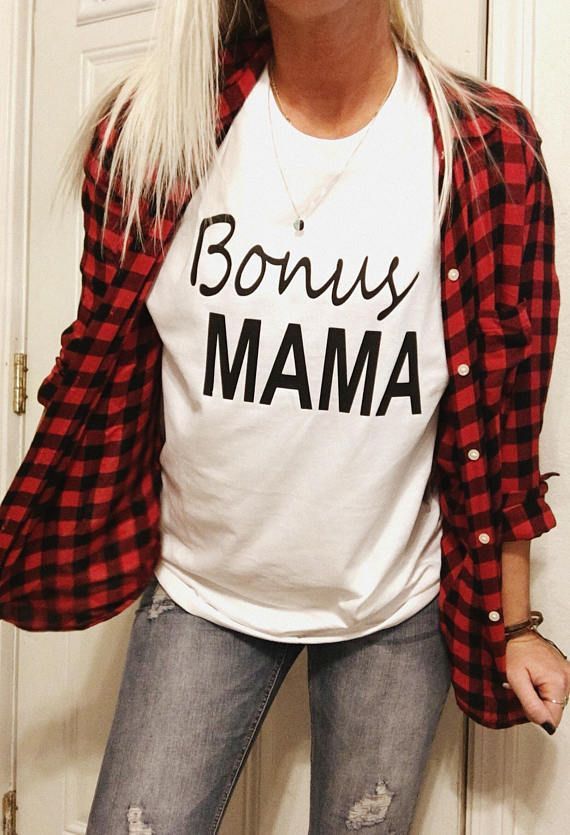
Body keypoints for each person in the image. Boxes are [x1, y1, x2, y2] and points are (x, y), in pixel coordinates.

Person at [0, 1, 568, 832]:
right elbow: (103, 368)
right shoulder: (149, 135)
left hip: (394, 608)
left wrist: (515, 624)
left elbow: (506, 416)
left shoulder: (490, 148)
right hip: (198, 590)